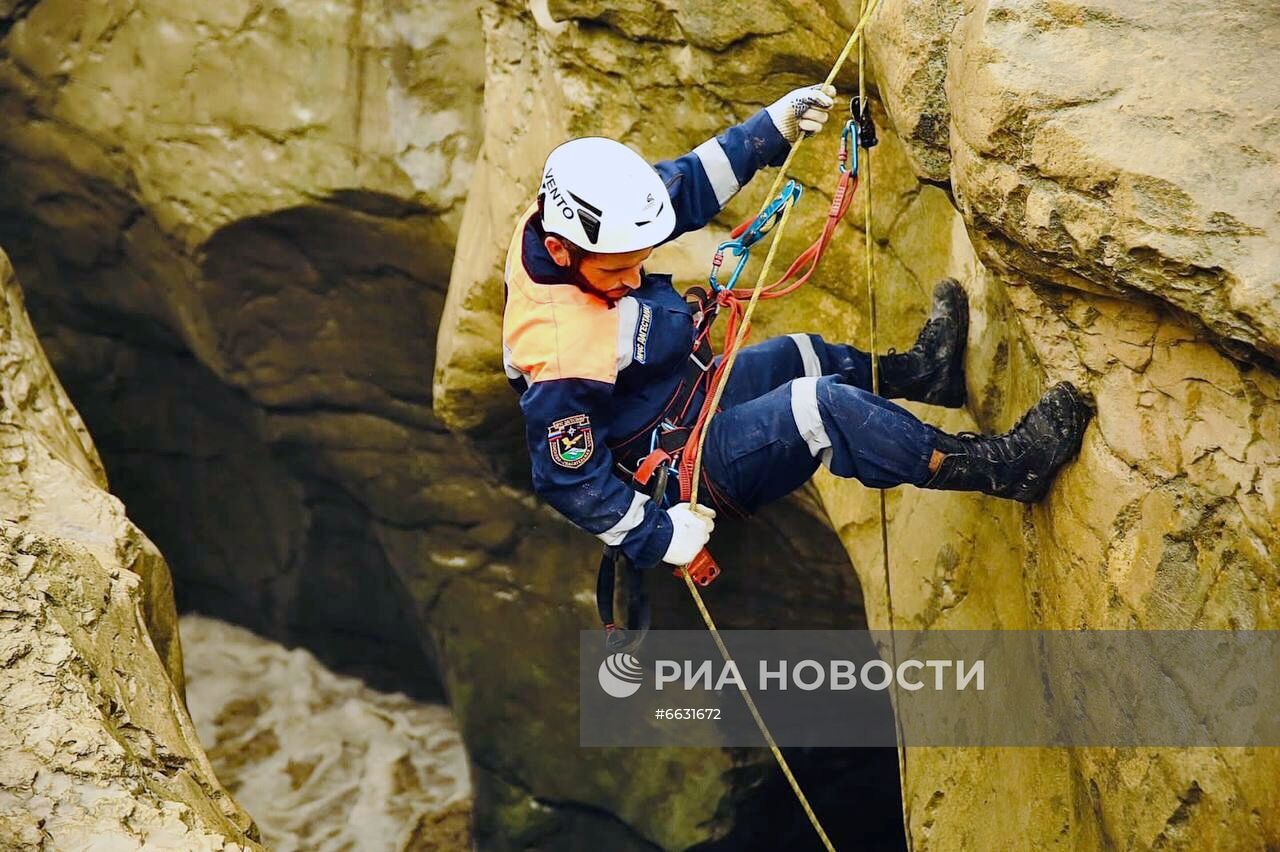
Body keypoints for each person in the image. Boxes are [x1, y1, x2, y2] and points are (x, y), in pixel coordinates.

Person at [501, 84, 1092, 571]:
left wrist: (768, 132)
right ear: (560, 250)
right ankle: (1007, 467)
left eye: (637, 260)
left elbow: (679, 190)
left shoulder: (569, 218)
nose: (634, 278)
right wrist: (657, 536)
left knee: (796, 354)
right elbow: (565, 478)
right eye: (618, 269)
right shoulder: (558, 350)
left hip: (684, 398)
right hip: (683, 466)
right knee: (816, 408)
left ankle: (927, 374)